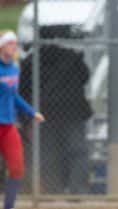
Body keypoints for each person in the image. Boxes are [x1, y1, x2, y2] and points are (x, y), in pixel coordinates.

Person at [19, 26, 92, 195]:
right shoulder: (72, 57)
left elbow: (23, 92)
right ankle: (77, 192)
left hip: (47, 113)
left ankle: (53, 192)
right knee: (76, 152)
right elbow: (85, 77)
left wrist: (26, 119)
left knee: (50, 155)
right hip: (70, 112)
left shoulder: (32, 60)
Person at [0, 31, 44, 209]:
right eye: (10, 43)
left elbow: (14, 96)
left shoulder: (14, 69)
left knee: (17, 166)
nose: (14, 46)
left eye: (15, 44)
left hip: (8, 125)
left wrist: (31, 112)